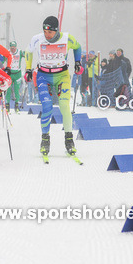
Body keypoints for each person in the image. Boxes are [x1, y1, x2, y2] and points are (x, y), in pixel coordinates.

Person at [26, 15, 82, 157]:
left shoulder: (67, 38)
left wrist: (77, 62)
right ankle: (45, 140)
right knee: (47, 107)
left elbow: (78, 47)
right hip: (43, 76)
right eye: (45, 32)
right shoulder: (37, 39)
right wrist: (28, 69)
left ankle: (69, 140)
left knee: (64, 106)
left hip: (62, 75)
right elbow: (28, 52)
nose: (47, 35)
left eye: (50, 32)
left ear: (57, 31)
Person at [4, 41, 25, 112]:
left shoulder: (20, 52)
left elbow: (27, 55)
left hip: (17, 74)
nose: (13, 49)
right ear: (10, 47)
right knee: (8, 91)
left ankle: (16, 106)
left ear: (16, 47)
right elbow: (2, 61)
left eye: (14, 48)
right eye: (11, 48)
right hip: (9, 74)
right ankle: (7, 106)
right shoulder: (7, 52)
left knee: (17, 90)